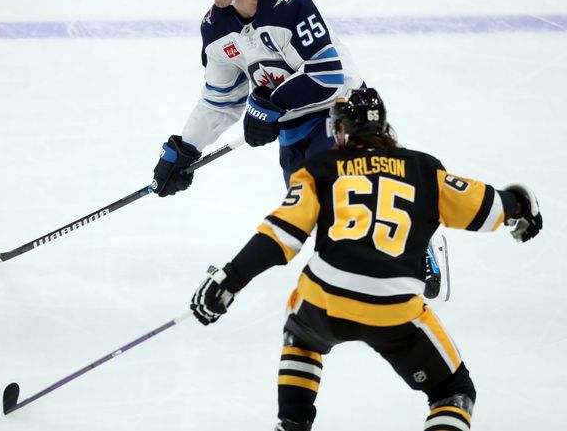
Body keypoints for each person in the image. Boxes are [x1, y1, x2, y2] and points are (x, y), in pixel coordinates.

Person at [188, 87, 543, 431]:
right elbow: (488, 207)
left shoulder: (321, 167)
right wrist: (519, 208)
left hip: (326, 298)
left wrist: (230, 279)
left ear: (341, 130)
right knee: (453, 392)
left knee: (302, 337)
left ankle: (292, 422)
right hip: (395, 306)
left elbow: (281, 236)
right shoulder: (425, 170)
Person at [150, 0, 362, 196]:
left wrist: (272, 104)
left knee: (347, 208)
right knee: (308, 215)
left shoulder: (287, 2)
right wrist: (186, 148)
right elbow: (221, 100)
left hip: (343, 112)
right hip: (292, 131)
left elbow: (327, 75)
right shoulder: (215, 29)